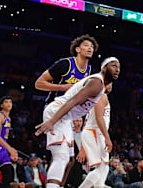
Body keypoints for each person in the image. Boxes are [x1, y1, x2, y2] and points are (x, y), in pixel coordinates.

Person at [35, 58, 120, 188]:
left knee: (69, 160)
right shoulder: (97, 83)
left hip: (66, 116)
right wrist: (52, 121)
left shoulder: (100, 87)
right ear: (104, 68)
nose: (117, 69)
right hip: (59, 112)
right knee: (61, 157)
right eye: (113, 66)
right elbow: (73, 101)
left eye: (119, 67)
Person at [35, 35, 98, 188]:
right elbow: (39, 83)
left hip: (68, 114)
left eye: (92, 46)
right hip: (55, 108)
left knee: (69, 160)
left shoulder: (90, 72)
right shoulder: (65, 64)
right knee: (61, 156)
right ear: (77, 49)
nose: (90, 48)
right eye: (86, 45)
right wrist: (62, 87)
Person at [77, 84, 113, 188]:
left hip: (94, 132)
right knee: (101, 167)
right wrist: (107, 138)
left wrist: (83, 148)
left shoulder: (95, 97)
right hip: (95, 132)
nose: (110, 85)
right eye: (108, 82)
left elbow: (87, 122)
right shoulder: (101, 96)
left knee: (104, 167)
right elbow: (98, 118)